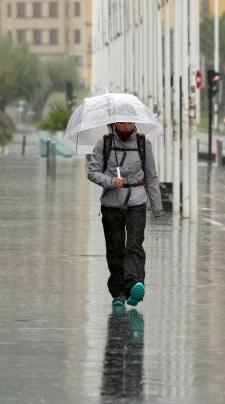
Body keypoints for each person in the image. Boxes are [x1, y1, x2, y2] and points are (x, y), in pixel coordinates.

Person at [87, 121, 163, 309]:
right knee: (115, 248)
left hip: (136, 202)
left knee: (134, 244)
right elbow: (92, 172)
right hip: (112, 204)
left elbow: (151, 176)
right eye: (122, 122)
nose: (126, 126)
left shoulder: (142, 144)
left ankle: (135, 284)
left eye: (129, 122)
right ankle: (119, 293)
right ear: (115, 123)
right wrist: (111, 181)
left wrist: (156, 206)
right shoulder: (103, 143)